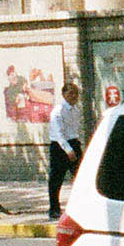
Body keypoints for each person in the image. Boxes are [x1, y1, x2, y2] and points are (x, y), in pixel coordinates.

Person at [46, 79, 90, 219]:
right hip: (60, 146)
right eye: (70, 93)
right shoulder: (58, 111)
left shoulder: (76, 110)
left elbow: (74, 129)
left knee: (79, 177)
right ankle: (54, 208)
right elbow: (58, 133)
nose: (74, 97)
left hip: (73, 143)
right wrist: (67, 149)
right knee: (56, 179)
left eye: (76, 94)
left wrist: (75, 146)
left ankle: (81, 206)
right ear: (64, 94)